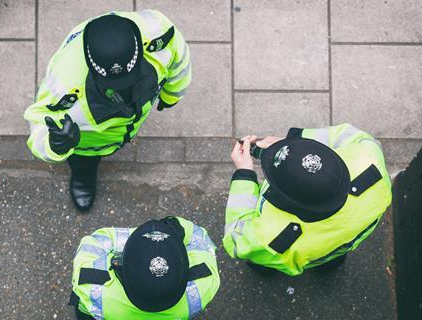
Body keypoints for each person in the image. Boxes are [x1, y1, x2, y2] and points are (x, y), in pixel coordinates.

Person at [24, 10, 191, 211]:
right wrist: (55, 145)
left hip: (123, 127)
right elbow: (38, 124)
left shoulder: (158, 32)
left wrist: (172, 93)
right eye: (113, 83)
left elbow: (179, 59)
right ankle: (83, 178)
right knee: (84, 162)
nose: (122, 89)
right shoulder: (63, 85)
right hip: (88, 144)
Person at [222, 123, 392, 276]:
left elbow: (237, 240)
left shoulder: (273, 237)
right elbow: (349, 135)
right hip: (343, 240)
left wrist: (244, 173)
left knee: (261, 262)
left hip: (285, 252)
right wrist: (295, 141)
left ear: (290, 200)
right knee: (332, 257)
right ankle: (328, 269)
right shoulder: (370, 159)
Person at [69, 216, 220, 319]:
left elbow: (95, 243)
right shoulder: (202, 287)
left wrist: (134, 239)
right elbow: (200, 240)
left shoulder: (94, 289)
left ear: (121, 266)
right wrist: (175, 227)